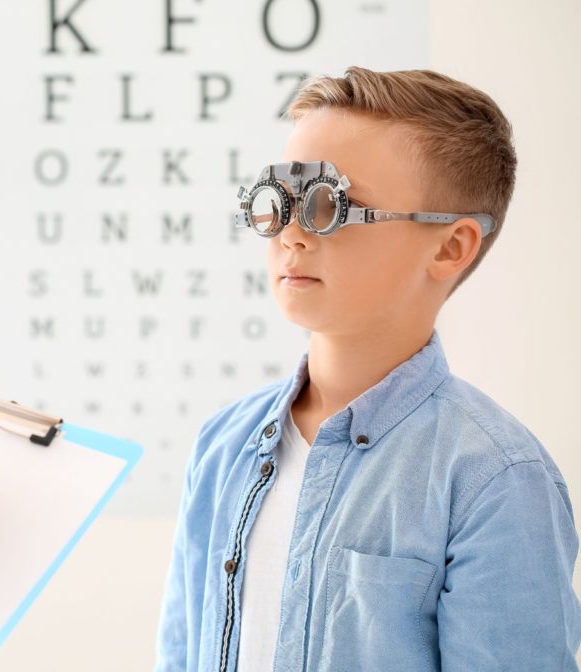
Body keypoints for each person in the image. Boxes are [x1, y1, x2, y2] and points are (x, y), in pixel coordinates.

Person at [155, 67, 581, 671]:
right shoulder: (225, 444)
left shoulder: (495, 478)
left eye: (331, 205)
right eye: (280, 201)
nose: (293, 235)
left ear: (450, 246)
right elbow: (179, 655)